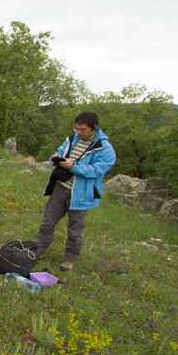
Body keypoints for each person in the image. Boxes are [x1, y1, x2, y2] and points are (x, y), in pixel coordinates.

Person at [35, 111, 116, 271]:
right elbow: (60, 151)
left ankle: (69, 260)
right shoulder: (72, 139)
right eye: (77, 128)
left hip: (81, 194)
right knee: (47, 223)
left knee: (75, 230)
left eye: (83, 129)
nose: (79, 132)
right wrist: (55, 159)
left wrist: (73, 166)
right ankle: (39, 250)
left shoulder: (105, 149)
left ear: (94, 128)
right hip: (60, 187)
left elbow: (96, 171)